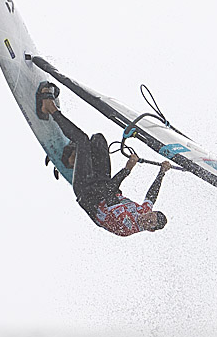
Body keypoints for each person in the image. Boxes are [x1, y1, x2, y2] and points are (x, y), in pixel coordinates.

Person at [37, 83, 171, 237]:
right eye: (150, 215)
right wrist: (162, 172)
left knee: (82, 140)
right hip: (101, 183)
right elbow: (151, 196)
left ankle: (49, 108)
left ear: (150, 229)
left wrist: (127, 169)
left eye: (150, 222)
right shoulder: (144, 212)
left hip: (87, 193)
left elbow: (109, 192)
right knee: (98, 140)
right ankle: (73, 159)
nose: (147, 218)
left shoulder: (126, 226)